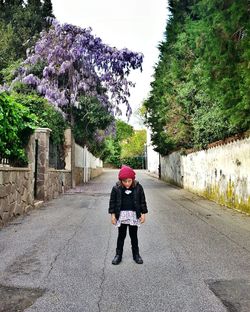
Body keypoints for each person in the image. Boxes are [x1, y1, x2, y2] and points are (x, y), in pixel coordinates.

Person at [109, 165, 148, 265]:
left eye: (129, 181)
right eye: (124, 181)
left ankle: (136, 255)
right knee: (121, 236)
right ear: (121, 180)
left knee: (133, 236)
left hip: (133, 215)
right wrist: (113, 215)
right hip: (121, 215)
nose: (127, 183)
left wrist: (143, 214)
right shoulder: (116, 188)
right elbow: (112, 202)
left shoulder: (138, 187)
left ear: (133, 179)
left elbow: (142, 201)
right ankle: (118, 255)